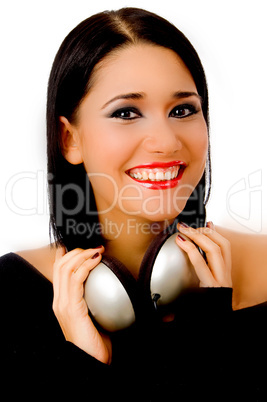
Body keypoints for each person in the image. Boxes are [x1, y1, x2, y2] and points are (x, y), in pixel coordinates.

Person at [1, 7, 267, 400]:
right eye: (126, 112)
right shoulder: (12, 296)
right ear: (69, 139)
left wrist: (213, 332)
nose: (166, 141)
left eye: (183, 110)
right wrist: (84, 366)